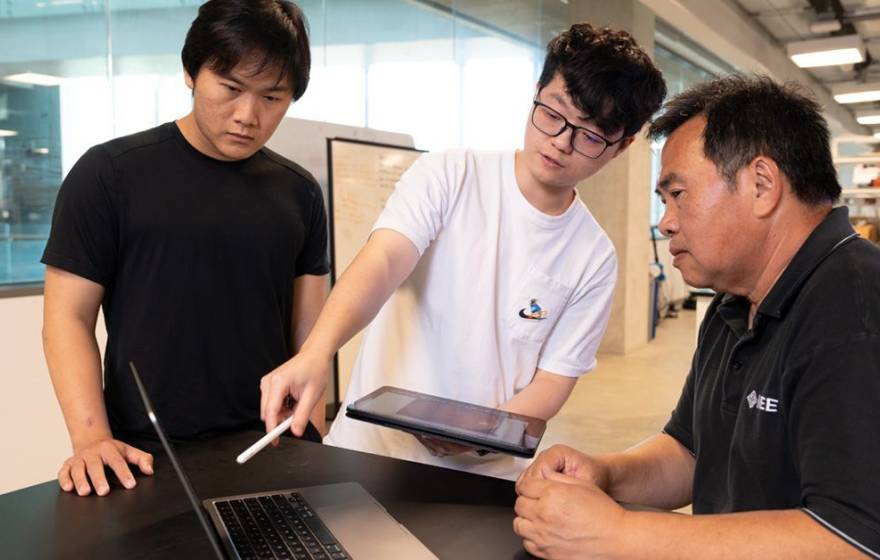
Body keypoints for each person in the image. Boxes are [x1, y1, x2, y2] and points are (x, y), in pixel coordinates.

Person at [260, 23, 666, 479]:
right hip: (369, 455)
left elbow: (553, 382)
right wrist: (317, 351)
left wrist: (476, 434)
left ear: (623, 146)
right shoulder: (450, 174)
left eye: (591, 136)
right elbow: (383, 261)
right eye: (553, 114)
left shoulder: (593, 257)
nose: (561, 141)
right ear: (537, 91)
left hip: (485, 479)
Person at [514, 75, 880, 558]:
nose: (666, 221)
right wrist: (605, 475)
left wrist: (618, 535)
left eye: (678, 194)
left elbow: (852, 538)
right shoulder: (734, 303)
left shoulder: (856, 308)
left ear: (762, 185)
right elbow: (691, 451)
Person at [41, 0, 329, 498]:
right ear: (190, 72)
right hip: (140, 457)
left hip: (264, 450)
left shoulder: (299, 193)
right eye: (231, 88)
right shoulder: (109, 174)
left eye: (272, 98)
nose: (247, 116)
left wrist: (309, 424)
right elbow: (66, 317)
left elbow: (309, 332)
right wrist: (91, 439)